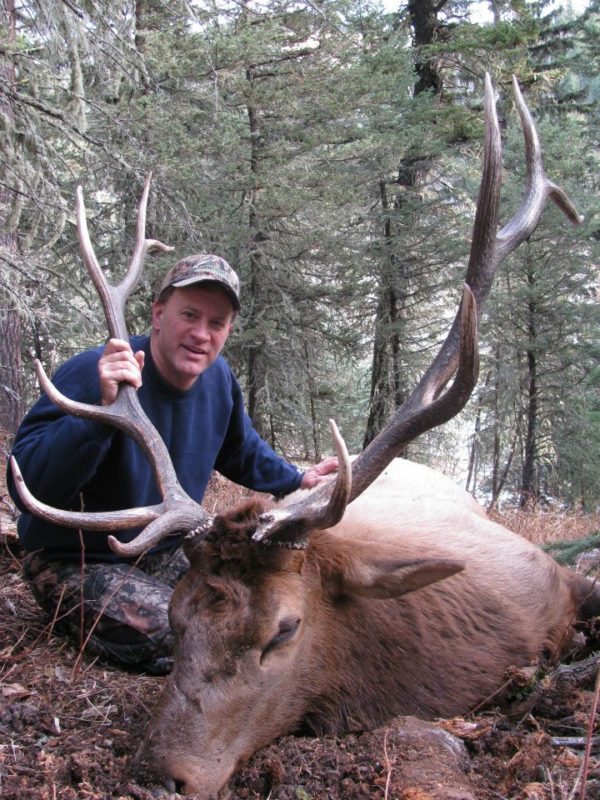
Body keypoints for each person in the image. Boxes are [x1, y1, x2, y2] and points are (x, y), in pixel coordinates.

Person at [7, 254, 337, 674]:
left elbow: (240, 449)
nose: (201, 334)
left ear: (227, 331)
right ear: (159, 314)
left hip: (164, 549)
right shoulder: (95, 373)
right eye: (189, 315)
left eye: (216, 322)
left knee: (254, 609)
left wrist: (297, 479)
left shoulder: (218, 380)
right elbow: (27, 484)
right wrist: (97, 417)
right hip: (76, 558)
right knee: (189, 635)